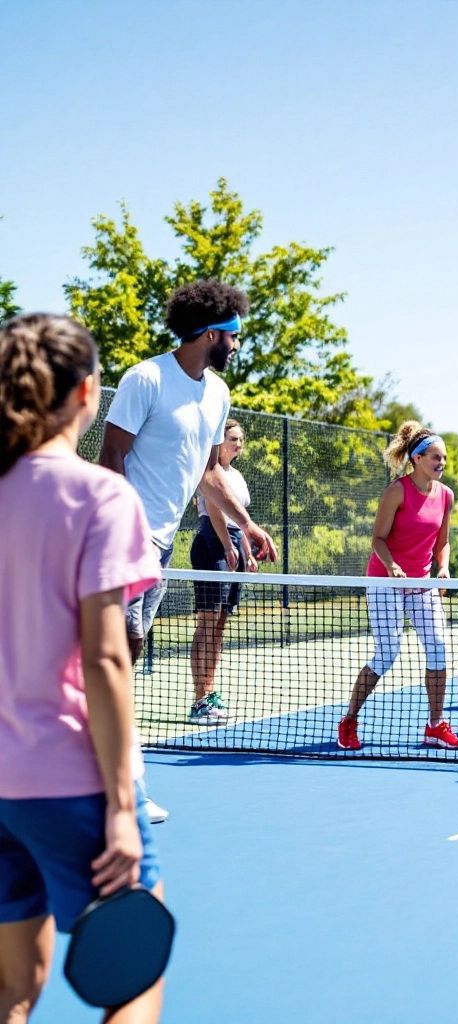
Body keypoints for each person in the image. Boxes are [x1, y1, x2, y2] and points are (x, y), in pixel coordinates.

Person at [0, 313, 166, 1021]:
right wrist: (123, 810)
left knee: (11, 990)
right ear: (87, 393)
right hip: (69, 782)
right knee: (135, 982)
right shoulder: (102, 497)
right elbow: (105, 659)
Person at [99, 280, 279, 822]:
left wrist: (247, 524)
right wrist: (122, 535)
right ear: (209, 333)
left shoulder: (217, 394)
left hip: (160, 546)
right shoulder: (146, 378)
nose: (238, 346)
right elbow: (110, 457)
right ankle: (120, 788)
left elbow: (207, 472)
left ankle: (104, 780)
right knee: (118, 661)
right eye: (235, 336)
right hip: (122, 543)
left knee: (123, 657)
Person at [337, 421, 458, 752]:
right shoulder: (396, 491)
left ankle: (436, 725)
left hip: (421, 583)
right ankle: (349, 720)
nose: (441, 463)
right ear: (418, 459)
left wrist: (443, 568)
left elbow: (443, 542)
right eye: (436, 457)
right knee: (387, 653)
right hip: (385, 582)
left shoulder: (446, 495)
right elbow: (378, 538)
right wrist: (393, 566)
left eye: (444, 458)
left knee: (438, 647)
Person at [188, 418, 259, 725]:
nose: (237, 443)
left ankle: (211, 692)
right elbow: (215, 509)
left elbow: (238, 517)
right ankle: (199, 700)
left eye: (240, 439)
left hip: (232, 543)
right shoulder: (209, 472)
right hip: (211, 542)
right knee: (206, 623)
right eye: (232, 438)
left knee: (219, 626)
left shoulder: (238, 476)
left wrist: (244, 549)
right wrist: (227, 547)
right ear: (219, 442)